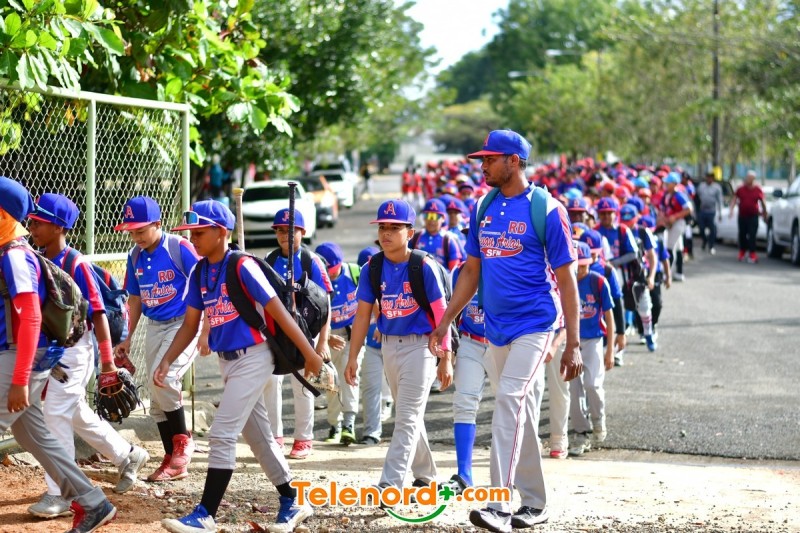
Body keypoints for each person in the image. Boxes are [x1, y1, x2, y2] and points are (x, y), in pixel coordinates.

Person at [429, 130, 583, 532]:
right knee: (519, 413)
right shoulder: (483, 206)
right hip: (494, 328)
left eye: (490, 159)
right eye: (482, 159)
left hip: (535, 323)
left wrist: (573, 344)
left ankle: (497, 505)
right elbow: (471, 271)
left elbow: (567, 281)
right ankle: (535, 503)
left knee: (508, 400)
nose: (482, 166)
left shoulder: (547, 209)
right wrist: (445, 321)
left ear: (514, 161)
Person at [155, 200, 322, 533]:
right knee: (258, 437)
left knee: (222, 433)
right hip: (227, 361)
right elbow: (190, 324)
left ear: (221, 233)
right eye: (191, 233)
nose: (193, 239)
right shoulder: (200, 271)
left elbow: (278, 312)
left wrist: (310, 354)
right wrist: (167, 360)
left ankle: (206, 514)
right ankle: (292, 500)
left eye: (199, 233)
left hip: (254, 356)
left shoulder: (243, 265)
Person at [0, 177, 117, 532]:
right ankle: (93, 502)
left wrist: (20, 379)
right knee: (32, 435)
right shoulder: (9, 252)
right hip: (21, 355)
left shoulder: (15, 256)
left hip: (20, 356)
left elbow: (31, 318)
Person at [26, 193, 149, 518]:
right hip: (51, 348)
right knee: (74, 411)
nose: (32, 227)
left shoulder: (75, 263)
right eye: (32, 221)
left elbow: (98, 314)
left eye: (39, 222)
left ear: (58, 227)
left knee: (55, 413)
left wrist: (107, 363)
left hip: (76, 349)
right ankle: (127, 455)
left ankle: (61, 493)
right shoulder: (37, 257)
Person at [344, 199, 454, 493]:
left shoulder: (423, 266)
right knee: (410, 415)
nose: (387, 233)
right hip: (389, 347)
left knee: (405, 418)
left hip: (422, 348)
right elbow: (362, 315)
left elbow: (442, 314)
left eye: (395, 227)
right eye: (383, 227)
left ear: (410, 232)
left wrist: (446, 357)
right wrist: (353, 356)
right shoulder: (372, 267)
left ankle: (389, 485)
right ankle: (426, 476)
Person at [113, 196, 205, 482]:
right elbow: (135, 299)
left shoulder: (179, 247)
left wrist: (209, 327)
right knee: (156, 394)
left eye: (141, 230)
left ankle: (183, 442)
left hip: (185, 323)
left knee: (164, 378)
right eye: (131, 231)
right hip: (156, 326)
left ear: (158, 224)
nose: (136, 237)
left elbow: (205, 283)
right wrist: (127, 336)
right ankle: (171, 457)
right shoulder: (135, 256)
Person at [262, 208, 332, 459]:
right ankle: (275, 437)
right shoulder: (269, 259)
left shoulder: (310, 260)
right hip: (276, 332)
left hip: (306, 330)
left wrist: (323, 340)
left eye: (290, 230)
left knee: (303, 383)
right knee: (271, 382)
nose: (284, 235)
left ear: (302, 232)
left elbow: (325, 303)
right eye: (280, 230)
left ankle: (303, 438)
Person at [567, 242, 615, 457]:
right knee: (574, 389)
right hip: (571, 340)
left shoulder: (598, 282)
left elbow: (610, 317)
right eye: (578, 266)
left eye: (585, 266)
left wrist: (610, 349)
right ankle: (580, 432)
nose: (581, 271)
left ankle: (598, 419)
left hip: (594, 340)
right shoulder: (565, 280)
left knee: (593, 384)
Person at [314, 242, 363, 446]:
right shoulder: (315, 278)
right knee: (331, 382)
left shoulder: (354, 273)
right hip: (327, 339)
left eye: (334, 270)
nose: (332, 274)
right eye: (328, 271)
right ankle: (335, 424)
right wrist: (325, 338)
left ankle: (349, 424)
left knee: (350, 377)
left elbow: (371, 301)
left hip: (352, 335)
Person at [411, 198, 462, 271]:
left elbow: (454, 270)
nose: (431, 220)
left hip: (443, 277)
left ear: (443, 218)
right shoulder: (415, 237)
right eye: (428, 216)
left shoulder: (449, 240)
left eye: (434, 217)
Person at [658, 172, 692, 281]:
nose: (666, 184)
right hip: (669, 223)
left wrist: (675, 216)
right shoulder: (666, 195)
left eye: (668, 183)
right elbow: (662, 208)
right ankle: (679, 273)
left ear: (674, 183)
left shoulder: (679, 195)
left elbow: (689, 209)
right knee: (678, 248)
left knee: (669, 247)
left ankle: (667, 273)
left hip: (678, 223)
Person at [731, 170, 767, 263]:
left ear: (754, 179)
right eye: (748, 178)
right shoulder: (740, 189)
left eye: (751, 178)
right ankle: (742, 252)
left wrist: (765, 213)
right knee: (742, 234)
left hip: (753, 216)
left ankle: (752, 253)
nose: (748, 180)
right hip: (742, 216)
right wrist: (731, 210)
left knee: (752, 235)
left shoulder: (757, 189)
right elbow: (734, 199)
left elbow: (762, 201)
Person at [696, 171, 723, 255]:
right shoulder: (701, 186)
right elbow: (696, 197)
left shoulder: (717, 187)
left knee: (712, 230)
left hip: (712, 211)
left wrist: (720, 213)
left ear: (713, 179)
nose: (709, 179)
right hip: (702, 211)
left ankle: (711, 246)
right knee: (701, 228)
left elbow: (720, 200)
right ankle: (704, 240)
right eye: (707, 177)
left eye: (710, 177)